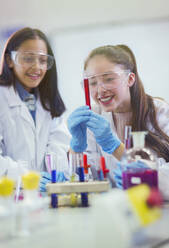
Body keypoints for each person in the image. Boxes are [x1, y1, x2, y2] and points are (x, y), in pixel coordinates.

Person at [67, 44, 169, 188]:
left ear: (130, 79)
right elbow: (85, 179)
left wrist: (115, 147)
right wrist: (76, 149)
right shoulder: (94, 118)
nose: (100, 90)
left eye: (109, 79)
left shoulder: (159, 111)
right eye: (93, 83)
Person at [0, 27, 70, 191]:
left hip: (45, 194)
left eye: (43, 60)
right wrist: (25, 178)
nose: (37, 67)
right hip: (7, 196)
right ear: (10, 60)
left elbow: (59, 146)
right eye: (28, 59)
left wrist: (56, 172)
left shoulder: (48, 100)